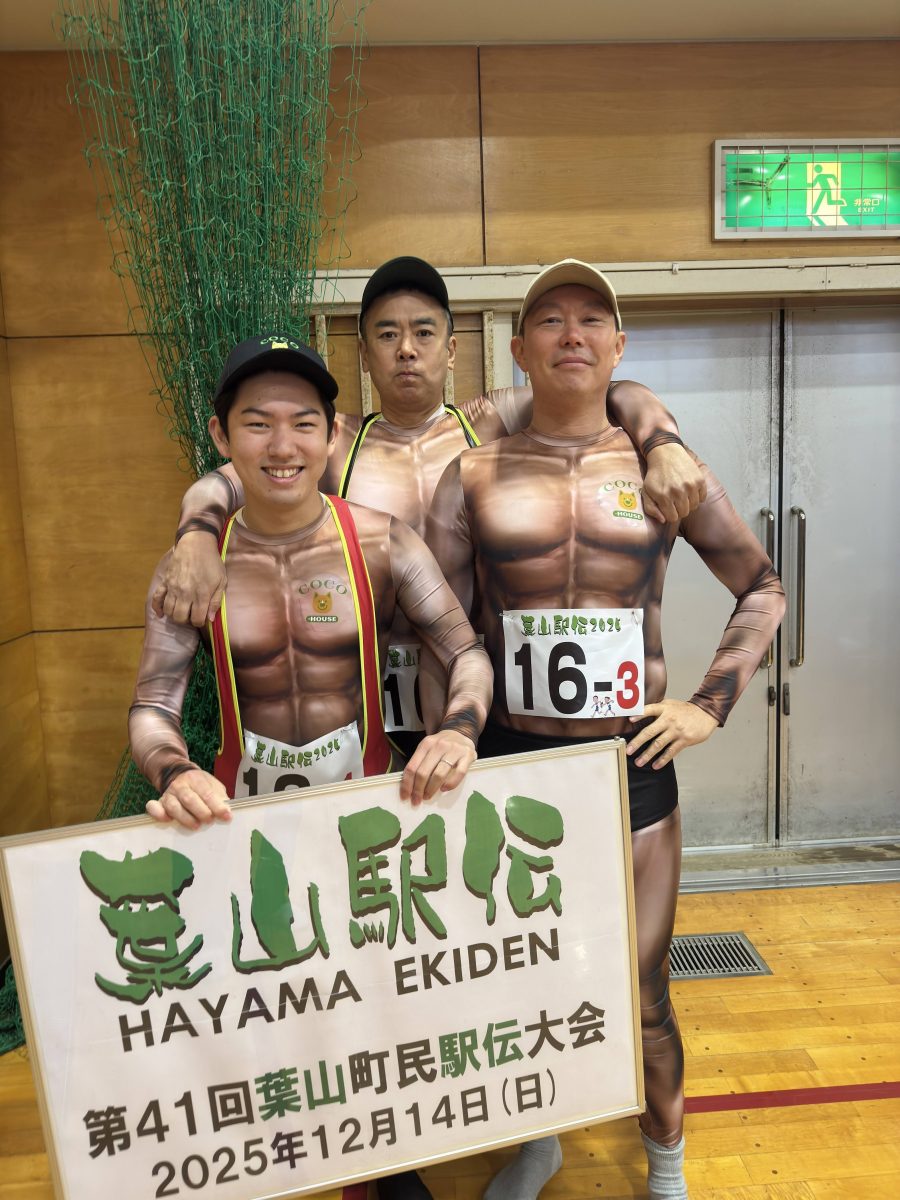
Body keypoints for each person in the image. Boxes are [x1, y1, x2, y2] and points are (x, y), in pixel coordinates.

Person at [424, 260, 787, 1200]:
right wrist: (447, 734)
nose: (572, 334)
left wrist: (708, 704)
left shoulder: (666, 469)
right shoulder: (471, 473)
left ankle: (665, 1166)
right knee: (521, 982)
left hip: (631, 764)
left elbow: (762, 586)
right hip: (509, 762)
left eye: (592, 319)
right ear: (519, 348)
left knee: (642, 988)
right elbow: (442, 631)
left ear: (620, 346)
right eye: (550, 319)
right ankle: (537, 1142)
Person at [154, 258, 708, 762]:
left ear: (452, 349)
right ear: (364, 354)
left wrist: (664, 445)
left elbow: (612, 391)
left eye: (423, 332)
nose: (406, 349)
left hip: (476, 689)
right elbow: (222, 483)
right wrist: (196, 536)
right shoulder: (334, 441)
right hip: (372, 698)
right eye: (386, 335)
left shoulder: (490, 421)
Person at [129, 333, 493, 830]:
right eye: (257, 424)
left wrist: (458, 729)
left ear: (330, 436)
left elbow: (466, 653)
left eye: (303, 424)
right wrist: (176, 773)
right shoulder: (190, 569)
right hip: (241, 819)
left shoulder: (384, 542)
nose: (282, 447)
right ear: (221, 436)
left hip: (375, 812)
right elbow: (152, 707)